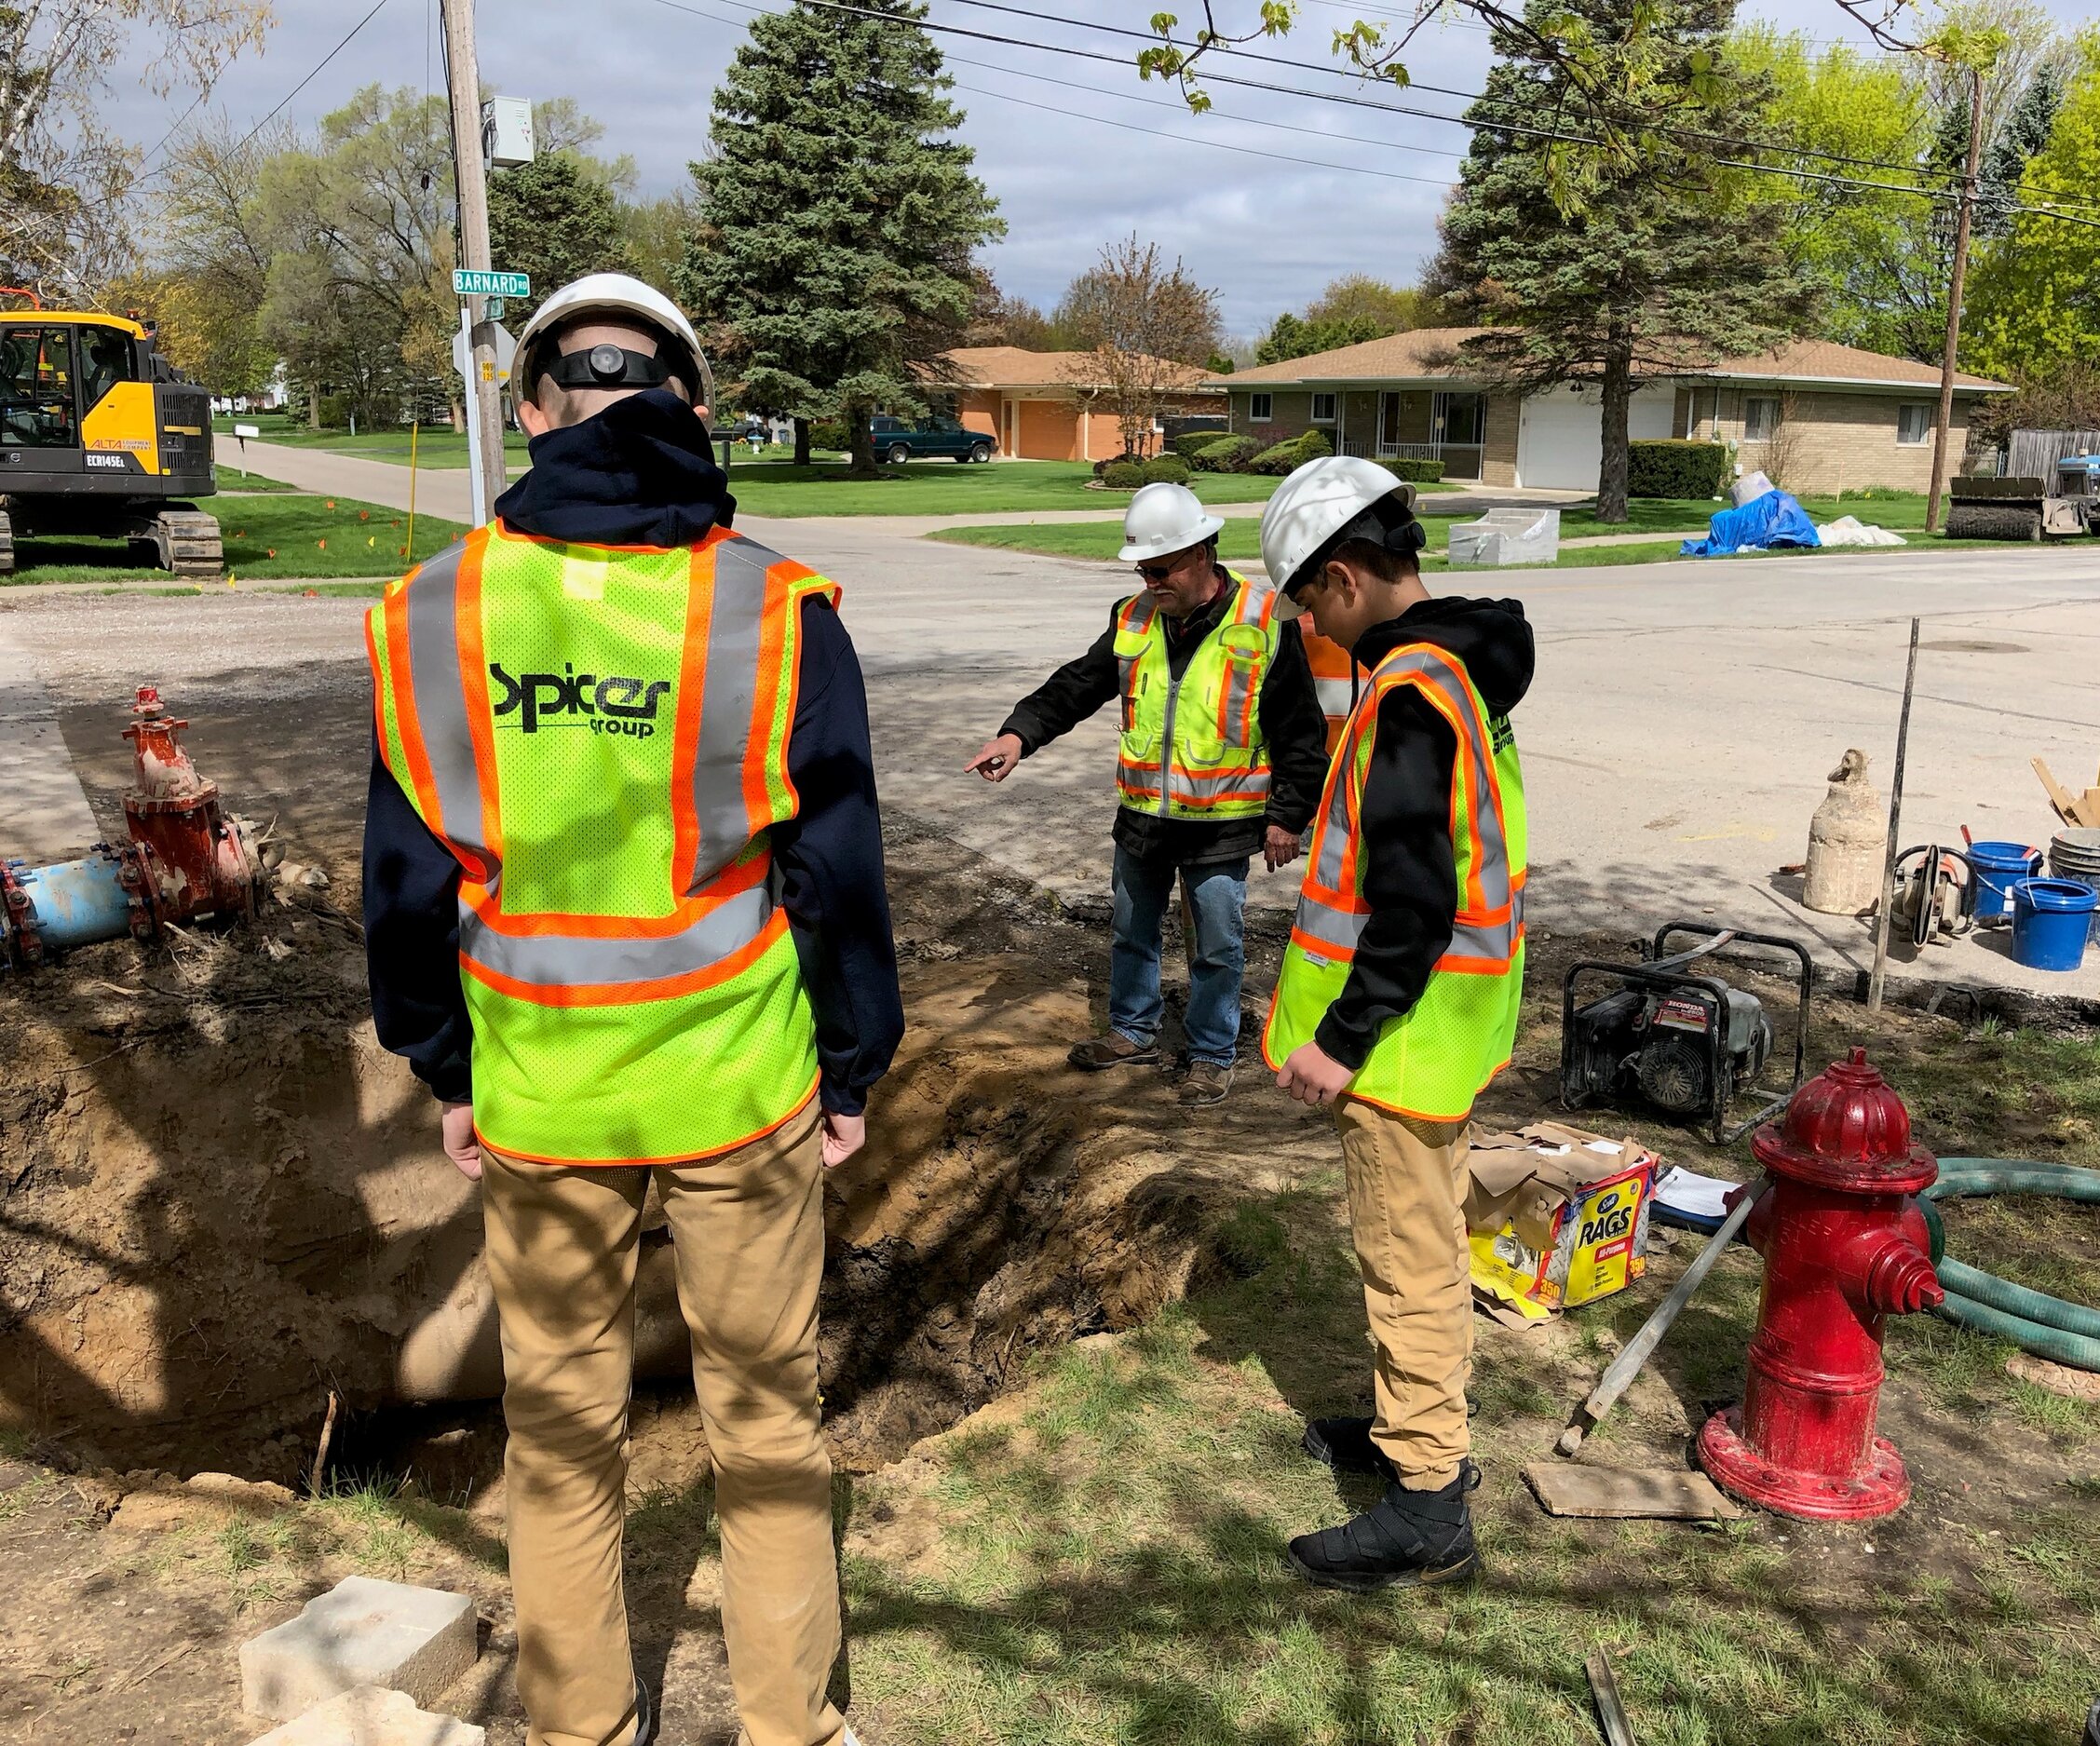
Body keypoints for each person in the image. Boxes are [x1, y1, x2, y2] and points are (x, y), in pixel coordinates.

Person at [362, 272, 900, 1746]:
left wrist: (444, 1065)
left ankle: (581, 1726)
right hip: (741, 1080)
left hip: (542, 1094)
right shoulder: (773, 608)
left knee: (557, 1437)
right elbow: (836, 872)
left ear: (530, 409)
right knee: (768, 1426)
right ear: (696, 405)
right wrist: (853, 1060)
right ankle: (797, 1727)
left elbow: (403, 886)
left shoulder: (434, 613)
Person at [1255, 454, 1534, 1592]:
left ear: (1349, 575)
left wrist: (1342, 1036)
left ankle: (1426, 1501)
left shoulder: (1412, 694)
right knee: (1414, 1242)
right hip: (1447, 1031)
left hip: (1402, 1044)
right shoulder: (1465, 662)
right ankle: (1400, 1427)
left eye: (1310, 603)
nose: (1310, 627)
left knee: (1406, 1260)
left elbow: (1414, 898)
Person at [965, 480, 1327, 1106]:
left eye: (1160, 569)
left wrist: (1288, 816)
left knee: (1216, 942)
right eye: (1142, 570)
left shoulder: (1264, 621)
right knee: (1132, 929)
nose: (1150, 582)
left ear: (1202, 554)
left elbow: (1301, 732)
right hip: (1143, 820)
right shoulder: (1132, 619)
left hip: (1221, 823)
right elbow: (1076, 686)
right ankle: (1133, 1030)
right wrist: (1018, 733)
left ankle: (1212, 1052)